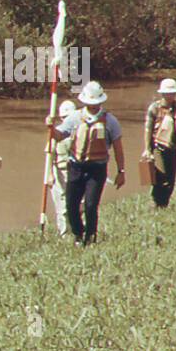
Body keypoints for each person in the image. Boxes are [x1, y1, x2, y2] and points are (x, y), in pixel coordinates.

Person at [47, 81, 126, 244]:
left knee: (90, 205)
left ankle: (90, 236)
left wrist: (121, 172)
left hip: (97, 169)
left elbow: (118, 148)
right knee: (71, 205)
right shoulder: (75, 117)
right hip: (76, 167)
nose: (93, 106)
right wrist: (50, 127)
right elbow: (59, 135)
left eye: (96, 103)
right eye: (91, 103)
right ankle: (78, 233)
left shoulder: (110, 121)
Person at [141, 78, 176, 207]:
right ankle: (156, 202)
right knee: (161, 177)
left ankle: (163, 204)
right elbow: (148, 129)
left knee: (171, 179)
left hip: (172, 148)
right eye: (167, 93)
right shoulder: (154, 108)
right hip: (158, 147)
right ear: (162, 93)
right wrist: (147, 149)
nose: (170, 96)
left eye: (172, 93)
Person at [50, 99, 78, 235]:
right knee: (61, 205)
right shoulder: (56, 134)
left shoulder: (80, 132)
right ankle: (64, 232)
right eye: (64, 118)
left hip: (75, 170)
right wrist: (49, 175)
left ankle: (78, 229)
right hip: (59, 172)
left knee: (79, 203)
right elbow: (49, 154)